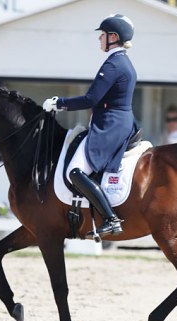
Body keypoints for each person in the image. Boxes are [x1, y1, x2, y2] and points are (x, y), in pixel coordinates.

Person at [42, 14, 137, 238]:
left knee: (74, 171)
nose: (99, 39)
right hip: (117, 121)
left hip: (110, 125)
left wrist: (59, 104)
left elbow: (90, 99)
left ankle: (111, 218)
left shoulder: (114, 64)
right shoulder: (121, 61)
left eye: (102, 35)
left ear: (113, 37)